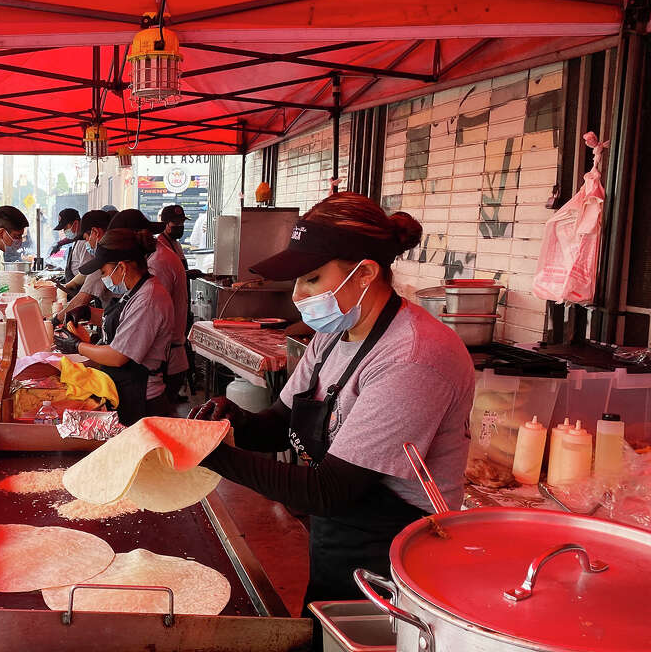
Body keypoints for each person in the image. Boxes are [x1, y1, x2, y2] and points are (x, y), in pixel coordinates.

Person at [189, 192, 475, 613]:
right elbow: (282, 422)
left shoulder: (414, 357)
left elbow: (331, 490)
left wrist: (210, 455)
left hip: (395, 559)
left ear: (364, 273)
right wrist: (233, 423)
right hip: (339, 536)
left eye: (312, 279)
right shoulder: (332, 333)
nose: (298, 295)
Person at [54, 229, 174, 425]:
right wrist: (87, 313)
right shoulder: (136, 290)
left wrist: (76, 346)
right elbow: (125, 321)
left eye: (104, 272)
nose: (103, 278)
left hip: (142, 400)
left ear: (122, 266)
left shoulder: (149, 299)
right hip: (125, 390)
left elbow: (118, 356)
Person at [152, 204, 192, 400]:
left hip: (178, 319)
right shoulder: (161, 251)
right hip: (169, 338)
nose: (179, 227)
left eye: (181, 223)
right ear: (165, 225)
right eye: (175, 223)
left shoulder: (174, 246)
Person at [55, 209, 112, 317]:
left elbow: (83, 297)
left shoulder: (106, 260)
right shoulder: (104, 256)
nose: (87, 242)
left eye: (87, 238)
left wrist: (57, 318)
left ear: (96, 232)